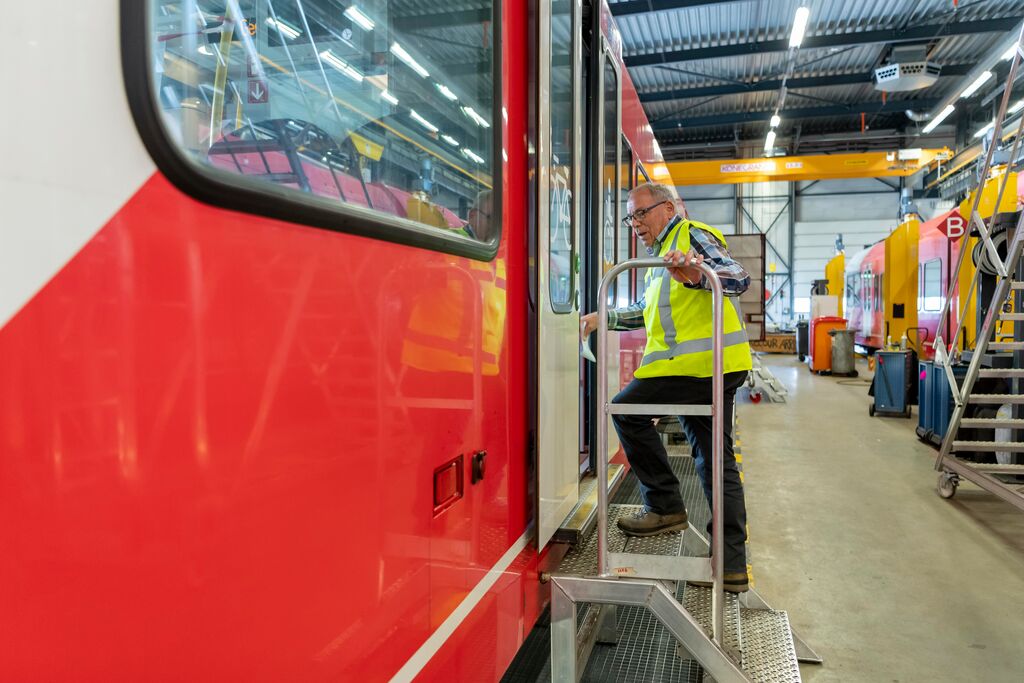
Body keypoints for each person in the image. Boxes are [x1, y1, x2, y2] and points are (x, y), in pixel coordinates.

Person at [581, 181, 754, 593]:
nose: (635, 223)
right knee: (715, 461)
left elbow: (735, 277)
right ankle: (730, 565)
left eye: (641, 213)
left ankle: (666, 506)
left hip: (696, 369)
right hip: (706, 368)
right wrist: (598, 319)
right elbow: (646, 312)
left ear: (667, 207)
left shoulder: (691, 235)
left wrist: (696, 274)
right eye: (631, 216)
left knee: (624, 410)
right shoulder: (660, 256)